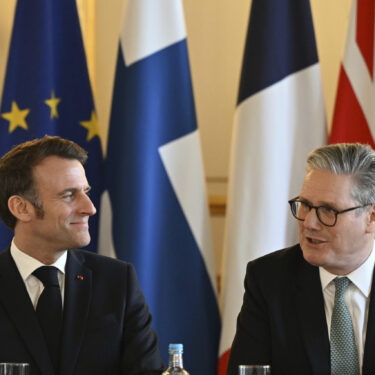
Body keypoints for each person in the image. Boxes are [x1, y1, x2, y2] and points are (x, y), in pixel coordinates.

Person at [0, 136, 164, 375]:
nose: (89, 207)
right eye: (68, 195)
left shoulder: (118, 281)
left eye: (86, 191)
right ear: (21, 208)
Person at [227, 143, 375, 375]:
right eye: (305, 205)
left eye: (328, 210)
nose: (309, 223)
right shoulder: (269, 280)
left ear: (371, 218)